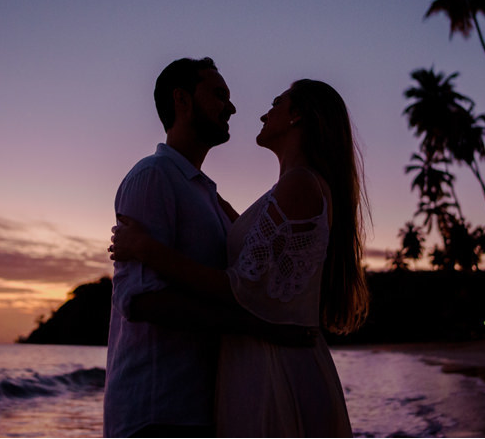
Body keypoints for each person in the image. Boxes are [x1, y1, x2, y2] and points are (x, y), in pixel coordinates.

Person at [111, 79, 370, 437]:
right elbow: (247, 238)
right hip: (259, 364)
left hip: (275, 367)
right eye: (220, 95)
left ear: (297, 116)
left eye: (277, 102)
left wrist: (147, 249)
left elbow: (239, 288)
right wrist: (199, 188)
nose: (263, 111)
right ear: (182, 100)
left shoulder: (300, 185)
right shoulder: (287, 188)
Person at [103, 57, 236, 438]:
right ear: (182, 99)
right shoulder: (152, 177)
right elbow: (140, 300)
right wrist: (246, 323)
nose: (231, 107)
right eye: (219, 94)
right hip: (156, 412)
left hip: (197, 410)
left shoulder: (206, 193)